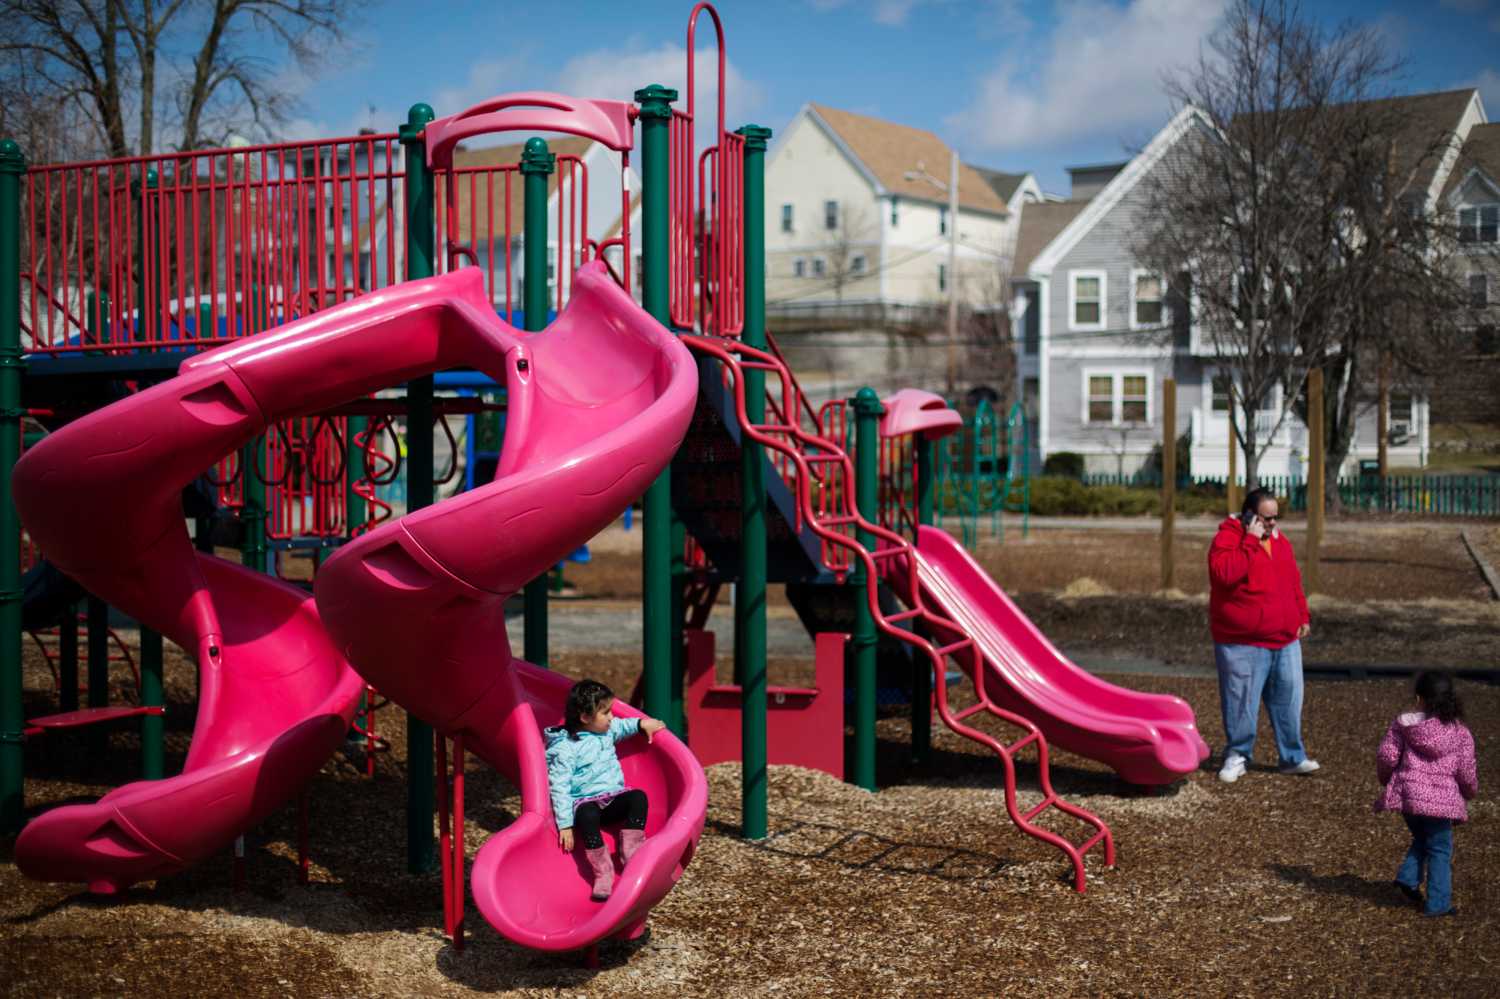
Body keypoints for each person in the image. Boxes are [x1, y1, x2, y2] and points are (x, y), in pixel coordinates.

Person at [1208, 487, 1319, 783]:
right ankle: (1237, 754)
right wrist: (1250, 541)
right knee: (1241, 703)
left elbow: (1292, 580)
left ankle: (1292, 757)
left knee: (1289, 701)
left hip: (1284, 638)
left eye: (1275, 517)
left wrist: (1302, 615)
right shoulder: (1227, 539)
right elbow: (1224, 575)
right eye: (1266, 518)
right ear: (1249, 516)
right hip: (1243, 641)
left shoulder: (1280, 541)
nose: (1272, 523)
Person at [545, 679, 666, 900]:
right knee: (586, 814)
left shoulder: (607, 730)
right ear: (585, 717)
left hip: (613, 798)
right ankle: (603, 871)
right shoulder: (565, 748)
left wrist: (642, 724)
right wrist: (564, 824)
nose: (612, 717)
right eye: (606, 712)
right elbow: (559, 786)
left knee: (638, 797)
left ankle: (631, 852)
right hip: (586, 803)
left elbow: (624, 726)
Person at [1374, 671, 1478, 918]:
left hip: (1409, 797)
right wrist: (1469, 791)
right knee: (1440, 849)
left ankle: (1408, 878)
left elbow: (1387, 756)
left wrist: (1387, 779)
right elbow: (1466, 769)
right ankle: (1438, 903)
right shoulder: (1460, 733)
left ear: (1419, 698)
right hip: (1441, 803)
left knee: (1423, 837)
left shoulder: (1404, 725)